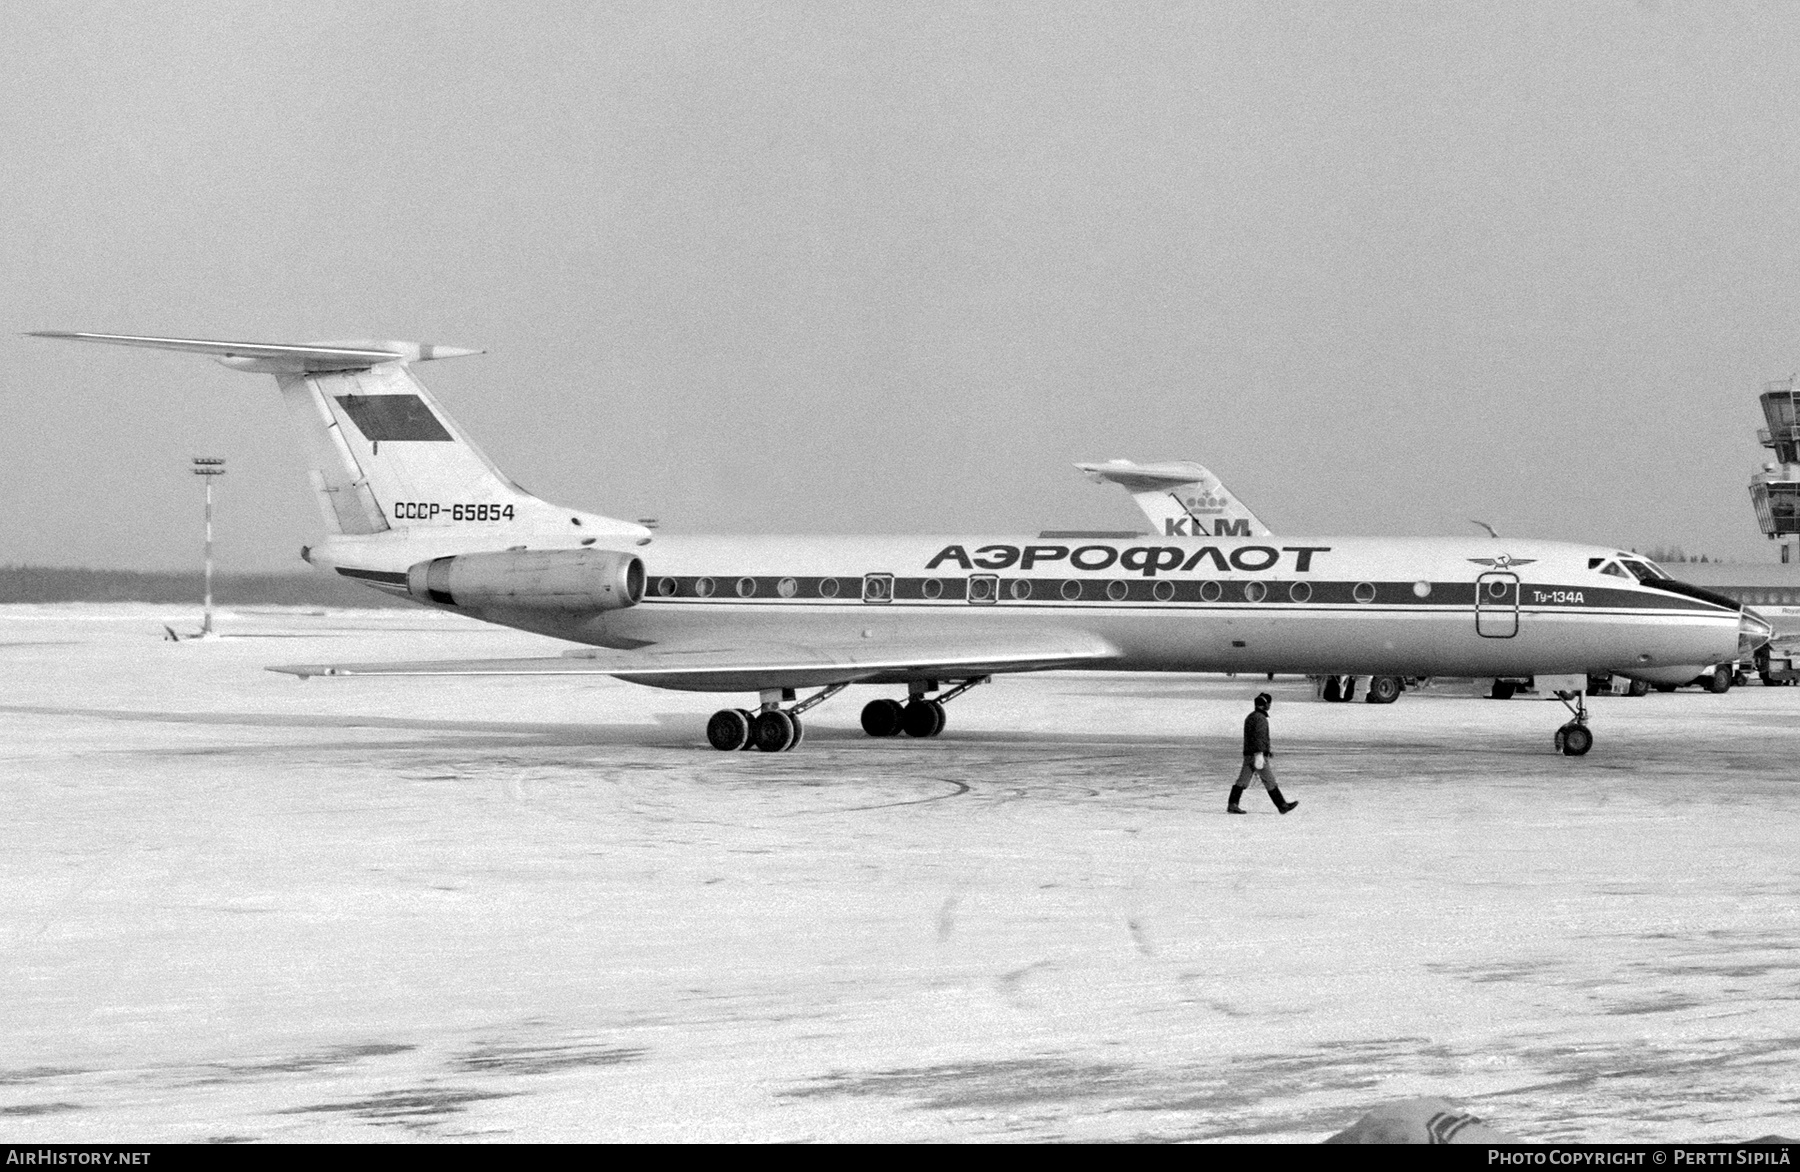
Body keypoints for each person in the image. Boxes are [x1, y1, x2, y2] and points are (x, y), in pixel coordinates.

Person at [1228, 692, 1297, 814]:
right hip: (1256, 755)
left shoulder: (1251, 716)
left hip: (1249, 754)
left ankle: (1233, 804)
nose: (1270, 706)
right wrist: (1260, 753)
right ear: (1266, 704)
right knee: (1269, 780)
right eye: (1269, 703)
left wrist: (1265, 751)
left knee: (1242, 781)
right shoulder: (1260, 719)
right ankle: (1282, 805)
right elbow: (1259, 737)